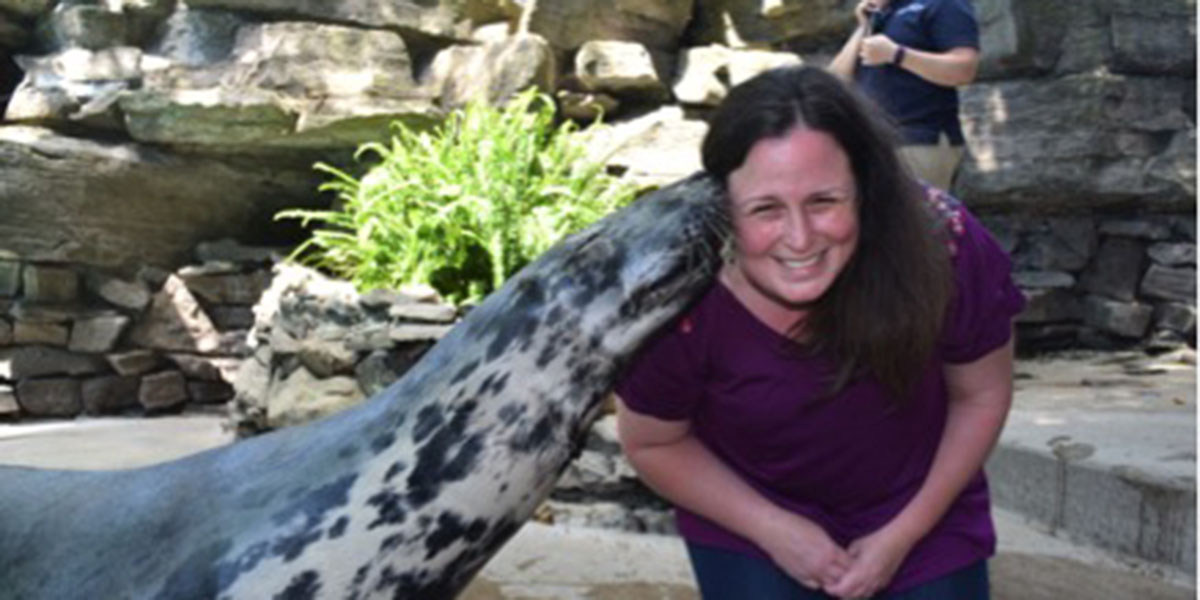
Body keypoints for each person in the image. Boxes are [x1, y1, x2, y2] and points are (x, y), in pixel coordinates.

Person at [614, 65, 1024, 599]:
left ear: (864, 188)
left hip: (921, 507)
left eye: (824, 202)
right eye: (765, 209)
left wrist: (902, 535)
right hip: (747, 516)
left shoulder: (946, 243)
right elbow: (653, 442)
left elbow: (981, 395)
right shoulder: (673, 297)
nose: (800, 239)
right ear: (722, 206)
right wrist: (774, 530)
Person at [828, 0, 980, 191]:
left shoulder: (943, 4)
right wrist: (864, 25)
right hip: (872, 145)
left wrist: (897, 55)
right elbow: (835, 80)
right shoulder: (881, 12)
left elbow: (964, 69)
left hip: (921, 142)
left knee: (918, 220)